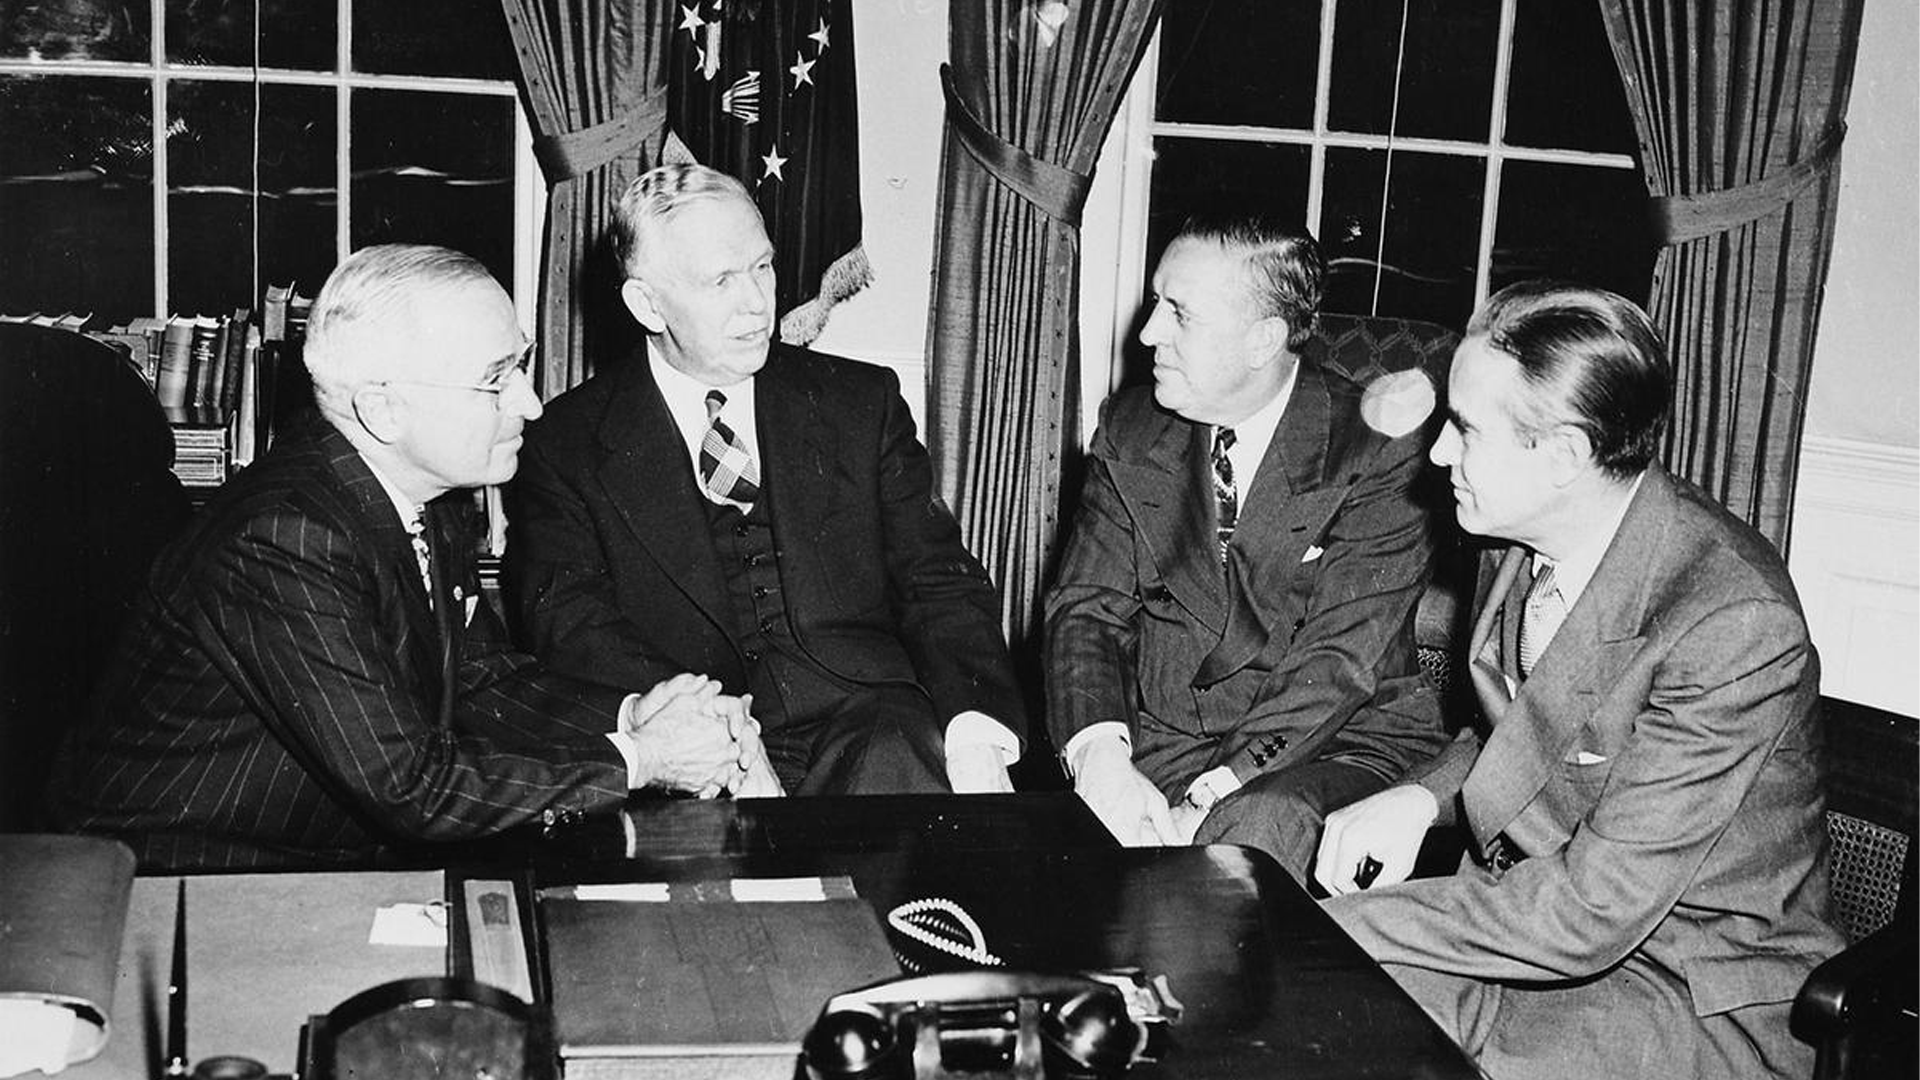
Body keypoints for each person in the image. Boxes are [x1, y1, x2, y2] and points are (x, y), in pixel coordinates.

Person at [48, 244, 776, 870]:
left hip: (324, 855)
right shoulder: (283, 542)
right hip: (182, 880)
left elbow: (486, 683)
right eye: (497, 379)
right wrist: (642, 760)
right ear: (383, 409)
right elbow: (411, 787)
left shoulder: (430, 495)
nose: (530, 403)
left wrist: (630, 712)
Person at [1313, 282, 1844, 1080]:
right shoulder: (1516, 532)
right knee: (1304, 1022)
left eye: (1465, 430)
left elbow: (1593, 913)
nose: (1437, 455)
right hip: (1531, 928)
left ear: (1563, 455)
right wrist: (1421, 797)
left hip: (1685, 987)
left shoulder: (1732, 620)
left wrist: (1329, 925)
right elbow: (1538, 735)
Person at [506, 163, 1024, 796]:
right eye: (722, 279)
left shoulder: (861, 402)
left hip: (872, 725)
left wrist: (977, 739)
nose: (757, 302)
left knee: (901, 776)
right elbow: (570, 624)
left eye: (763, 267)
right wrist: (707, 732)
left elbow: (938, 580)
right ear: (647, 303)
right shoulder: (567, 441)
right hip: (693, 743)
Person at [1043, 215, 1446, 876]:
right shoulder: (1131, 426)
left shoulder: (1378, 446)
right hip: (1165, 737)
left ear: (1263, 339)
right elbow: (1087, 609)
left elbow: (1339, 661)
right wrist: (1101, 759)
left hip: (1331, 743)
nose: (1147, 334)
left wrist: (1209, 794)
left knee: (1246, 840)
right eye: (1154, 303)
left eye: (1179, 314)